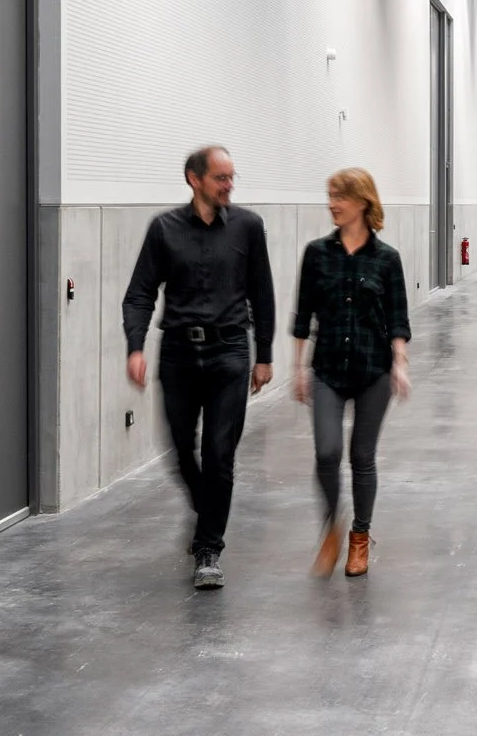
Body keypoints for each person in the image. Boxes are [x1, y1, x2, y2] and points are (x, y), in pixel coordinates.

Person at [122, 144, 275, 590]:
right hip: (179, 355)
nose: (229, 186)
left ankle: (209, 548)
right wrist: (136, 346)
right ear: (195, 179)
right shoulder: (164, 229)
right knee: (181, 452)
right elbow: (139, 293)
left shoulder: (248, 227)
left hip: (230, 351)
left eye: (232, 178)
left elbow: (262, 294)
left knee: (220, 454)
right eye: (221, 178)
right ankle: (206, 507)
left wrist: (263, 355)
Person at [291, 167, 411, 578]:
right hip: (326, 368)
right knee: (326, 453)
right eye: (329, 195)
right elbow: (302, 314)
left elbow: (398, 318)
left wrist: (400, 364)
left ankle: (360, 538)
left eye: (339, 196)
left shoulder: (387, 259)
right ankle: (331, 528)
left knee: (362, 457)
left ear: (362, 202)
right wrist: (297, 367)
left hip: (373, 369)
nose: (332, 204)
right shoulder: (316, 253)